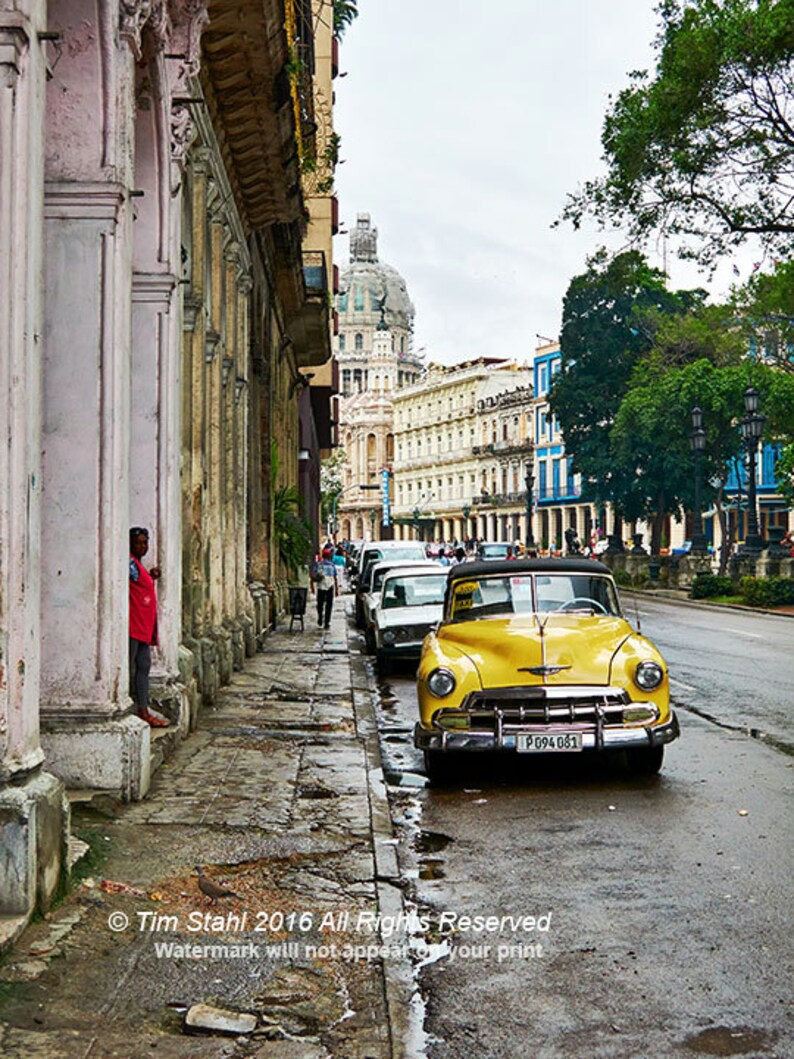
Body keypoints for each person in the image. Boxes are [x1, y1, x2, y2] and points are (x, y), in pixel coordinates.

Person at [129, 527, 169, 727]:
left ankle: (143, 709)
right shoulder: (129, 564)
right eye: (138, 543)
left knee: (144, 665)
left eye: (145, 543)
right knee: (133, 666)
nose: (142, 547)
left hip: (143, 626)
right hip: (133, 626)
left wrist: (150, 576)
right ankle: (134, 708)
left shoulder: (137, 565)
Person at [312, 546, 339, 629]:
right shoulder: (332, 565)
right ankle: (327, 622)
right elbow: (335, 577)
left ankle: (320, 617)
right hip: (330, 586)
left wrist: (312, 586)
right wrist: (337, 589)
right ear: (329, 556)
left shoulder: (318, 564)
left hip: (321, 586)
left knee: (320, 604)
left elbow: (313, 574)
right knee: (329, 605)